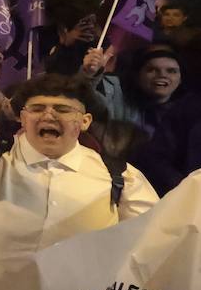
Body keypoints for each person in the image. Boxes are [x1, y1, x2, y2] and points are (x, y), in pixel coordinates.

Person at [0, 74, 159, 262]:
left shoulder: (119, 175)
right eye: (37, 109)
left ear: (84, 122)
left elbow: (155, 233)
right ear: (23, 118)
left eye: (62, 109)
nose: (48, 115)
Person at [82, 44, 201, 194]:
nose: (162, 75)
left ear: (181, 77)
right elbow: (84, 100)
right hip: (120, 187)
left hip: (176, 194)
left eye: (171, 71)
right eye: (152, 70)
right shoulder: (118, 100)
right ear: (138, 74)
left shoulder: (192, 112)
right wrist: (89, 75)